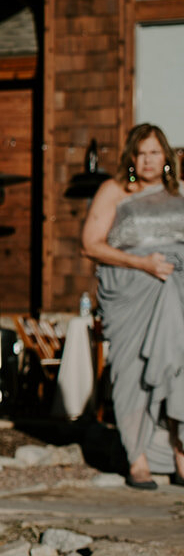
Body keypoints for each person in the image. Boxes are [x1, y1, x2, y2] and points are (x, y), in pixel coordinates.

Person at [80, 123, 184, 489]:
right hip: (131, 292)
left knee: (179, 366)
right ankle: (137, 458)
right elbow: (91, 244)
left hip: (177, 290)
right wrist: (143, 263)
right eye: (141, 153)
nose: (148, 160)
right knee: (132, 372)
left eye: (155, 152)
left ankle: (180, 454)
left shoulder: (178, 193)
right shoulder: (114, 191)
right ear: (131, 157)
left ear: (166, 156)